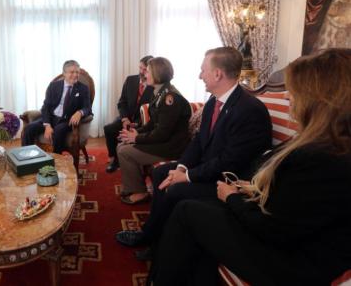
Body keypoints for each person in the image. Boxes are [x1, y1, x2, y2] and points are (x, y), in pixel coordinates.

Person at [150, 48, 351, 286]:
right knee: (190, 209)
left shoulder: (324, 156)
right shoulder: (322, 141)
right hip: (277, 228)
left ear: (321, 99)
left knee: (187, 211)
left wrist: (232, 197)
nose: (287, 98)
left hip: (291, 261)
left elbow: (274, 229)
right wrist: (247, 187)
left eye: (294, 91)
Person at [115, 47, 272, 261]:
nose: (200, 76)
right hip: (207, 166)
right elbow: (199, 141)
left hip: (226, 180)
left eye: (203, 70)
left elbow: (230, 161)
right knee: (163, 174)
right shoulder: (214, 101)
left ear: (217, 74)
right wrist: (181, 167)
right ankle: (151, 235)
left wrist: (188, 176)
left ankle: (160, 246)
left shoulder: (248, 109)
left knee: (175, 190)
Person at [117, 57, 191, 204]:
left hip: (171, 147)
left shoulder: (171, 98)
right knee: (121, 145)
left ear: (157, 73)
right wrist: (137, 131)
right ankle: (134, 185)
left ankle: (139, 192)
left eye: (148, 71)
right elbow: (153, 122)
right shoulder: (159, 91)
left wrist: (136, 138)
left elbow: (162, 133)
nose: (145, 75)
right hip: (164, 141)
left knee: (124, 151)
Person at [21, 60, 91, 154]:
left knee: (58, 132)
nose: (75, 75)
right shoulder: (54, 86)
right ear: (64, 74)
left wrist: (80, 112)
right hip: (51, 117)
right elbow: (45, 107)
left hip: (67, 120)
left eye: (77, 72)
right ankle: (27, 159)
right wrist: (47, 125)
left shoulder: (83, 88)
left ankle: (56, 161)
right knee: (29, 129)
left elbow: (87, 108)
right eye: (72, 72)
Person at [103, 55, 154, 173]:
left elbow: (152, 111)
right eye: (140, 68)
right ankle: (114, 159)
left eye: (144, 69)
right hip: (126, 117)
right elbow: (122, 102)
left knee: (128, 136)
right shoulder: (130, 80)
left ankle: (133, 160)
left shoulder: (154, 86)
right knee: (109, 129)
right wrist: (124, 118)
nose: (141, 72)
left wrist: (137, 124)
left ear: (151, 71)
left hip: (142, 122)